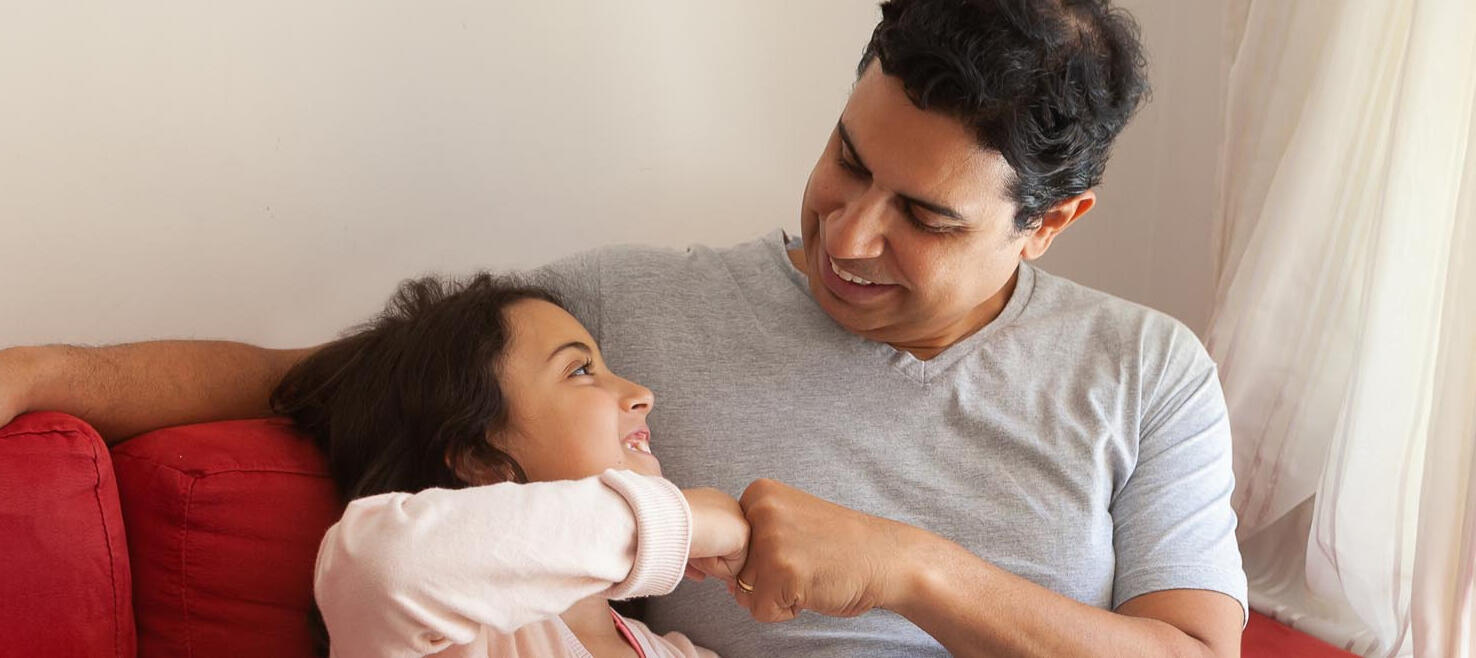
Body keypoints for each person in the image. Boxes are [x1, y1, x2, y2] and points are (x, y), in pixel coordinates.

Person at [0, 1, 1247, 656]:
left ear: (1051, 223)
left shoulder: (1147, 373)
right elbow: (310, 380)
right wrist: (35, 369)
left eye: (922, 215)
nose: (848, 234)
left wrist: (915, 570)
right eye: (845, 159)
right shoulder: (615, 312)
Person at [275, 273, 746, 657]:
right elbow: (384, 565)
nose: (643, 394)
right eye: (580, 371)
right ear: (479, 459)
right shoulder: (452, 640)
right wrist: (677, 523)